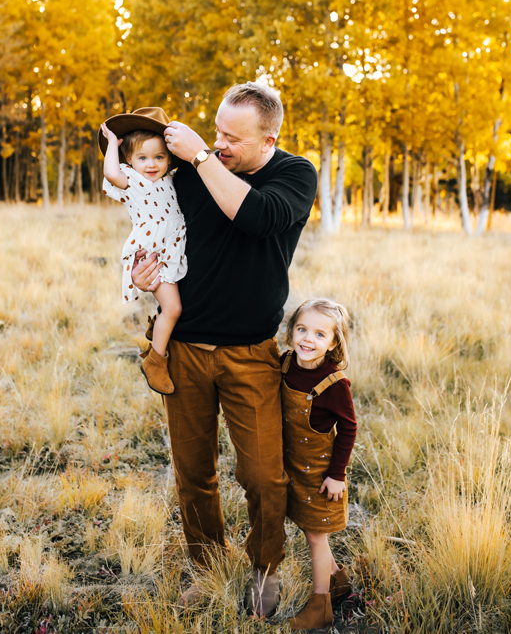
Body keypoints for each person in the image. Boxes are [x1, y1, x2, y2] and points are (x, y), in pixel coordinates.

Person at [131, 82, 318, 618]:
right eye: (216, 133)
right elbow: (154, 220)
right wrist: (150, 271)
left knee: (263, 474)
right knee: (194, 470)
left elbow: (255, 218)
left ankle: (266, 569)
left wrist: (203, 155)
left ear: (269, 139)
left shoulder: (294, 175)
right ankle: (207, 566)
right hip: (185, 349)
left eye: (233, 138)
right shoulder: (192, 171)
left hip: (250, 354)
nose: (221, 144)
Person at [98, 108, 187, 395]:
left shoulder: (172, 180)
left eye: (159, 157)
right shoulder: (132, 181)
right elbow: (110, 172)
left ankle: (160, 346)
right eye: (142, 157)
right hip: (153, 252)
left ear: (169, 158)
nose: (151, 164)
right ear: (130, 160)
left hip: (173, 248)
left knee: (174, 307)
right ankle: (155, 359)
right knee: (173, 308)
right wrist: (113, 143)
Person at [281, 298, 357, 631]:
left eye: (319, 334)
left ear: (334, 343)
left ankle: (320, 605)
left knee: (315, 536)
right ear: (291, 331)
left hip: (319, 471)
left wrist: (337, 475)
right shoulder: (284, 365)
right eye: (302, 329)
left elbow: (349, 428)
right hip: (290, 464)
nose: (307, 340)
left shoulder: (333, 383)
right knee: (305, 526)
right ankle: (339, 583)